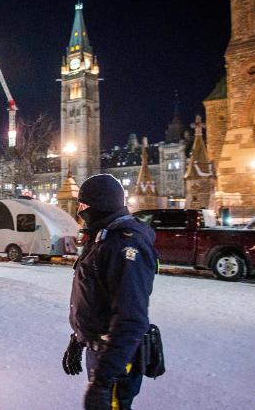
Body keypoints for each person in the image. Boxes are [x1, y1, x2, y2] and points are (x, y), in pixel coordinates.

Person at [62, 174, 158, 410]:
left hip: (116, 361)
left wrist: (104, 381)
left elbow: (131, 320)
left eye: (83, 206)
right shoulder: (103, 238)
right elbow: (96, 300)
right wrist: (78, 339)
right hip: (101, 353)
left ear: (100, 205)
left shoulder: (124, 245)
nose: (80, 212)